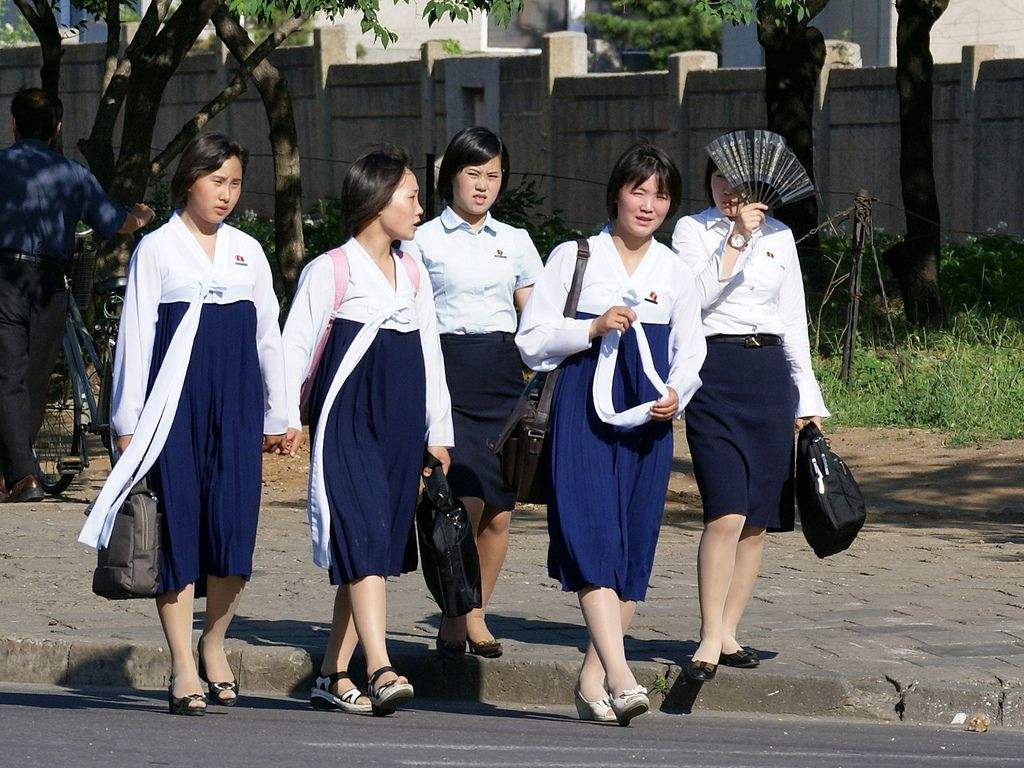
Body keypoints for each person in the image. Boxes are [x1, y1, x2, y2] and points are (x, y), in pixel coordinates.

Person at [79, 133, 291, 715]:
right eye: (216, 181)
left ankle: (213, 642)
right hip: (173, 409)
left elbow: (268, 336)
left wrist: (281, 413)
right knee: (177, 529)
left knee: (233, 528)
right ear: (189, 181)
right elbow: (136, 337)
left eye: (235, 183)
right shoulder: (156, 248)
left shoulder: (248, 250)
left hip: (238, 406)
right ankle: (181, 664)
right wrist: (127, 422)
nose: (226, 194)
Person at [516, 142, 706, 725]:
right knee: (592, 535)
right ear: (616, 194)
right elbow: (532, 339)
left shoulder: (675, 270)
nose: (648, 205)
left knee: (630, 549)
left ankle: (593, 678)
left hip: (649, 421)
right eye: (638, 190)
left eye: (661, 195)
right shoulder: (575, 257)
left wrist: (677, 393)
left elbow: (692, 350)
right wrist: (592, 327)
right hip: (582, 414)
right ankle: (622, 676)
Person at [281, 146, 453, 717]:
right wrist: (284, 420)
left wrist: (438, 431)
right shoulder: (330, 269)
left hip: (402, 426)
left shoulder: (413, 271)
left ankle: (332, 674)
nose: (420, 208)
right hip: (348, 421)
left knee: (372, 546)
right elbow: (294, 349)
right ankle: (379, 666)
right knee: (363, 536)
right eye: (411, 196)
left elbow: (430, 353)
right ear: (378, 200)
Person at [671, 156, 830, 683]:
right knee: (725, 511)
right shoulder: (692, 230)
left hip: (769, 375)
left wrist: (807, 399)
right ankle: (707, 634)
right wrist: (737, 238)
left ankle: (729, 631)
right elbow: (694, 298)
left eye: (739, 182)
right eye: (719, 178)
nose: (728, 190)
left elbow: (793, 319)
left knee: (757, 517)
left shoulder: (781, 235)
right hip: (714, 370)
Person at [403, 127, 542, 659]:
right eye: (473, 173)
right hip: (446, 372)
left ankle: (476, 612)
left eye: (493, 175)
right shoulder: (422, 240)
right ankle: (454, 612)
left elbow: (536, 316)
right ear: (451, 177)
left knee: (500, 509)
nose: (483, 186)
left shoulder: (516, 241)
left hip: (502, 376)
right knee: (458, 501)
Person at [0, 87, 153, 502]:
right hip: (50, 282)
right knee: (34, 378)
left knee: (8, 375)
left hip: (6, 277)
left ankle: (22, 475)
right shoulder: (73, 174)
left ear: (13, 125)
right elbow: (113, 222)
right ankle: (18, 471)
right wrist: (139, 217)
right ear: (57, 128)